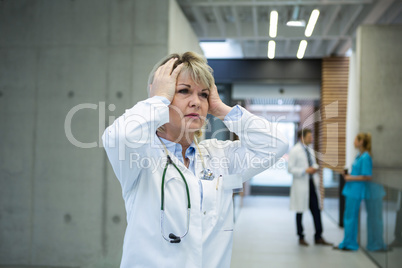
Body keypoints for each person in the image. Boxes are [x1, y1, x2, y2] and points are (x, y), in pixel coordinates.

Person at [102, 52, 288, 268]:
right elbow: (118, 136)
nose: (196, 102)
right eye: (184, 91)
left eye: (203, 95)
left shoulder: (220, 157)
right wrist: (157, 100)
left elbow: (276, 144)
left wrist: (220, 108)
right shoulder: (141, 157)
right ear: (162, 95)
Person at [334, 132, 386, 251]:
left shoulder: (366, 157)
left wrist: (350, 178)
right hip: (352, 189)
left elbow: (367, 176)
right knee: (349, 217)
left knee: (353, 218)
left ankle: (356, 243)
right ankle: (349, 242)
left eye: (356, 139)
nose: (354, 142)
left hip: (357, 190)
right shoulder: (359, 155)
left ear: (361, 142)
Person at [288, 129, 332, 246]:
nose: (311, 139)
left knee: (316, 211)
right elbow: (290, 169)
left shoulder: (309, 150)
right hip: (301, 184)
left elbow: (312, 163)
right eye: (309, 137)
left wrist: (314, 168)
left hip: (311, 183)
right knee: (300, 211)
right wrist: (305, 170)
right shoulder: (294, 150)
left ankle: (318, 236)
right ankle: (301, 236)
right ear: (302, 137)